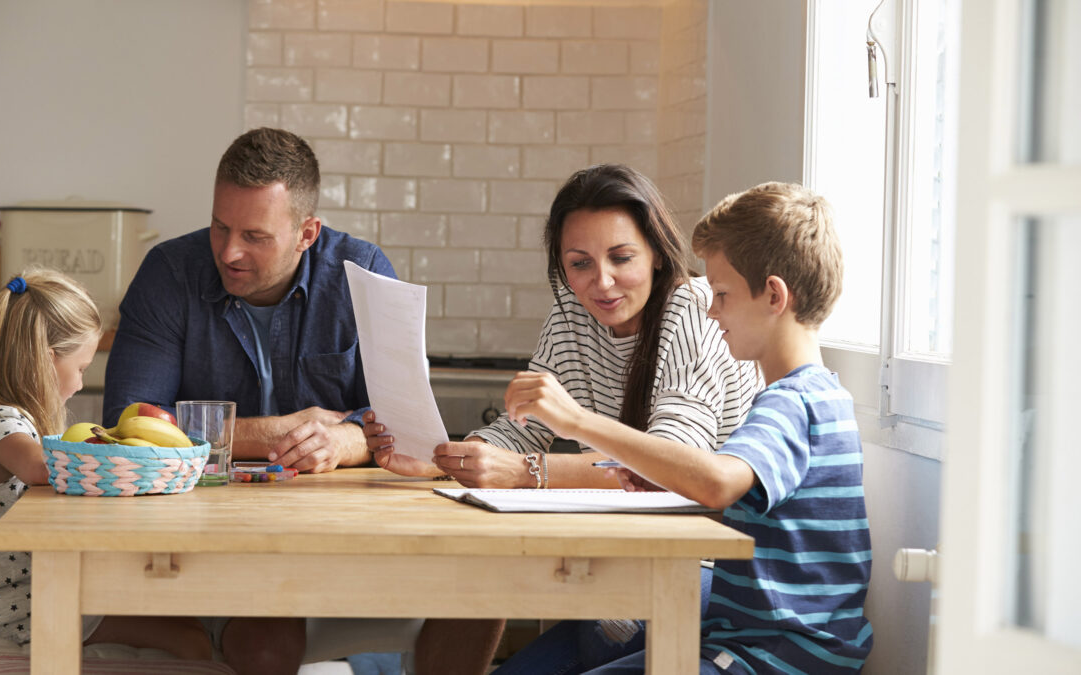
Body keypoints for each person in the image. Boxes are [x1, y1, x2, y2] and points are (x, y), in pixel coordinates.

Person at [103, 127, 502, 675]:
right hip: (208, 536)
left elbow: (407, 428)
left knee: (483, 591)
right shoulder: (168, 274)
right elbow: (127, 425)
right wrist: (276, 433)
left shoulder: (362, 274)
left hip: (347, 534)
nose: (228, 250)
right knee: (264, 642)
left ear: (307, 233)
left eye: (255, 235)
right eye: (220, 226)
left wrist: (349, 438)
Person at [492, 182, 874, 674]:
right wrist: (659, 476)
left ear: (774, 295)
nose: (711, 310)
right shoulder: (816, 396)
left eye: (720, 294)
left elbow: (715, 481)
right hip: (744, 643)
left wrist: (576, 421)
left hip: (774, 657)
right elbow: (734, 500)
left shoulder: (794, 404)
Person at [367, 163, 761, 491]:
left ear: (657, 253)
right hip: (634, 532)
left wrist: (525, 472)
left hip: (712, 547)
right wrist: (443, 459)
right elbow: (523, 431)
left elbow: (670, 465)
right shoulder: (572, 312)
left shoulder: (694, 307)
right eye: (580, 263)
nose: (602, 282)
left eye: (621, 258)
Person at [0, 269, 211, 659]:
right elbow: (39, 468)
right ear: (45, 361)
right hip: (5, 612)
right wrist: (124, 453)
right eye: (80, 368)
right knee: (192, 641)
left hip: (7, 598)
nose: (80, 384)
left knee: (188, 624)